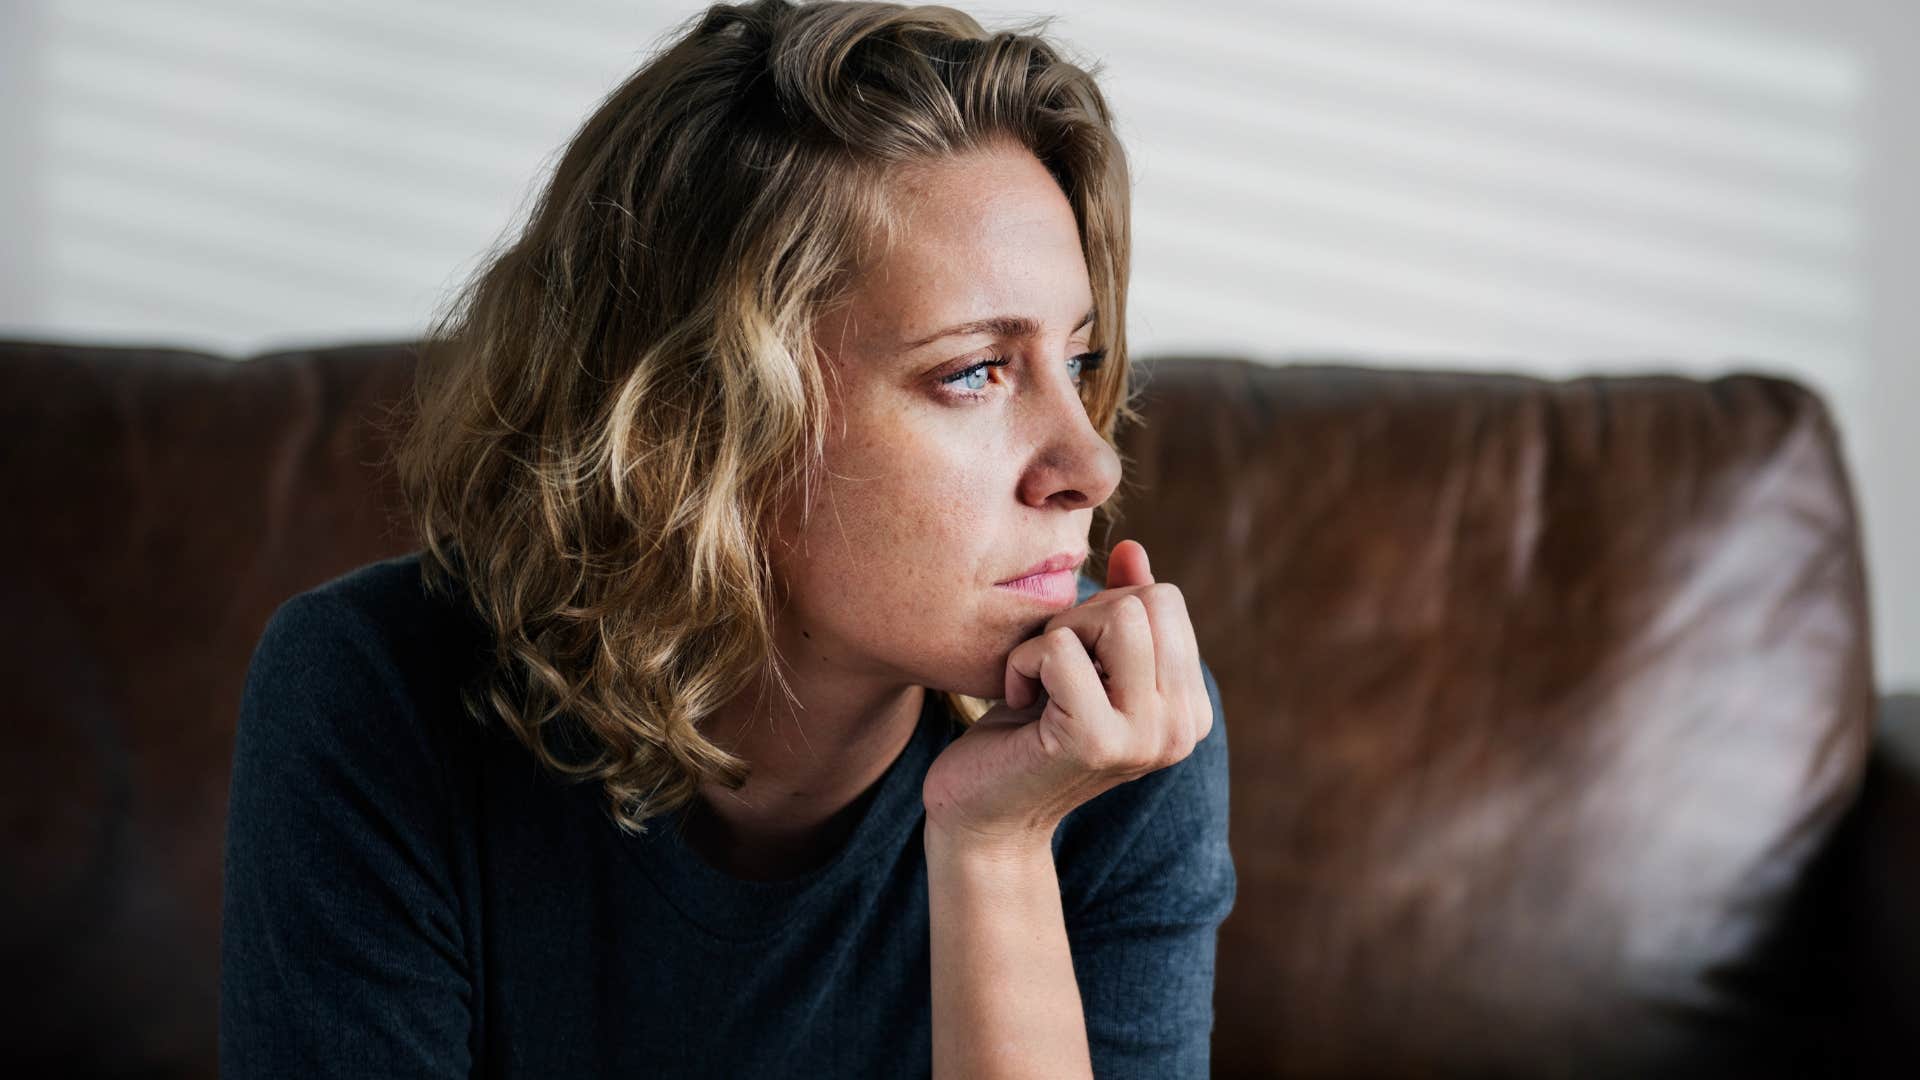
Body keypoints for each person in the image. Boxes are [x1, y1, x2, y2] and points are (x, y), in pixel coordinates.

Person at [218, 1, 1234, 1076]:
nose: (1094, 466)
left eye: (1076, 362)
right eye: (973, 372)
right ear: (703, 424)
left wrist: (995, 848)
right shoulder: (375, 695)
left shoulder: (1118, 739)